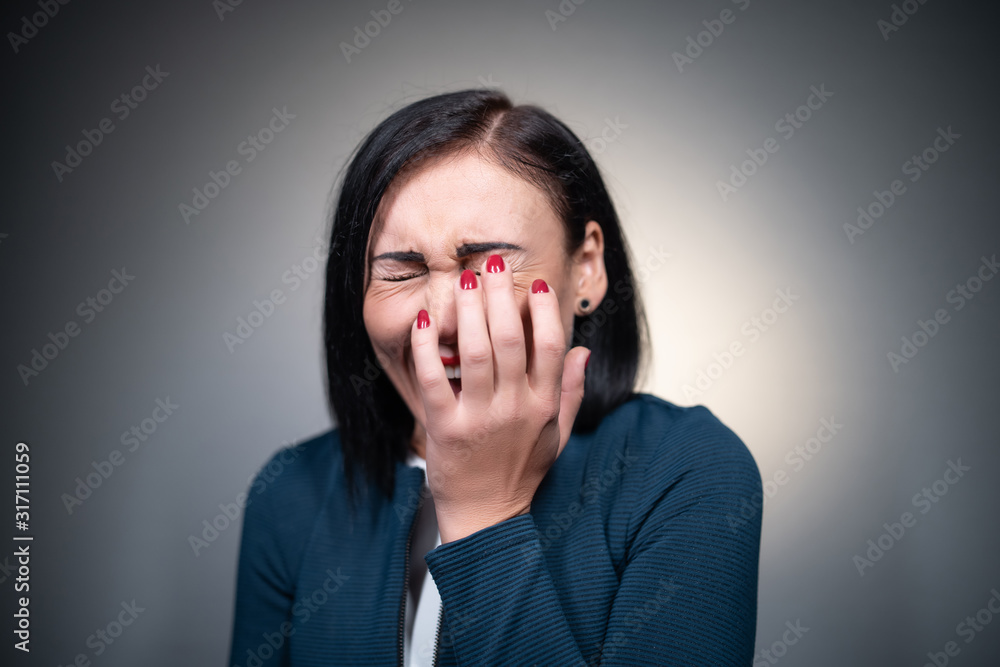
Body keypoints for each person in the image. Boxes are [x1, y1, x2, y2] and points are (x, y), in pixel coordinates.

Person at [228, 88, 762, 666]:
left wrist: (484, 513)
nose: (440, 322)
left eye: (487, 265)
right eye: (400, 273)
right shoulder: (290, 493)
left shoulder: (686, 470)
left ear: (585, 269)